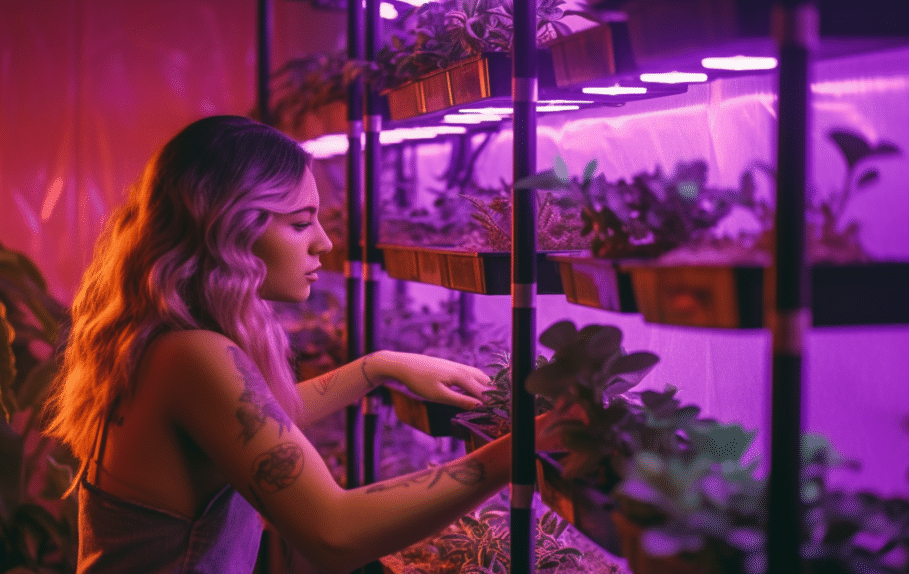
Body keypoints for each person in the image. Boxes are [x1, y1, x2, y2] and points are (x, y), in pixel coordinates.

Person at [46, 115, 558, 574]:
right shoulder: (192, 353)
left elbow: (254, 418)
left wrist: (378, 368)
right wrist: (520, 451)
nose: (324, 242)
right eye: (299, 222)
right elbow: (336, 533)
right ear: (230, 229)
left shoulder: (159, 338)